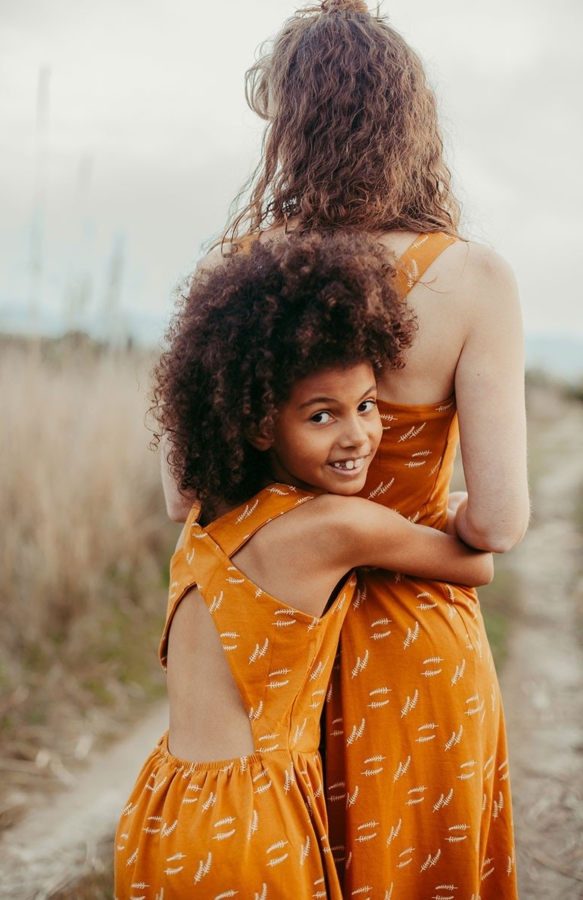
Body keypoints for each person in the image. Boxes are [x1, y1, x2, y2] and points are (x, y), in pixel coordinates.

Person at [161, 1, 530, 896]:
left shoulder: (237, 277)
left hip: (280, 652)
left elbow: (184, 498)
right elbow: (500, 522)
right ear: (410, 122)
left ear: (287, 125)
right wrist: (412, 514)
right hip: (419, 650)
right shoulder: (471, 277)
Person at [114, 233, 494, 900]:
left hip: (161, 809)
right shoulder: (338, 526)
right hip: (252, 823)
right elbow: (476, 561)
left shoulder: (210, 515)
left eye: (368, 405)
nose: (357, 435)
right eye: (324, 415)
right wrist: (445, 504)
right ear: (262, 423)